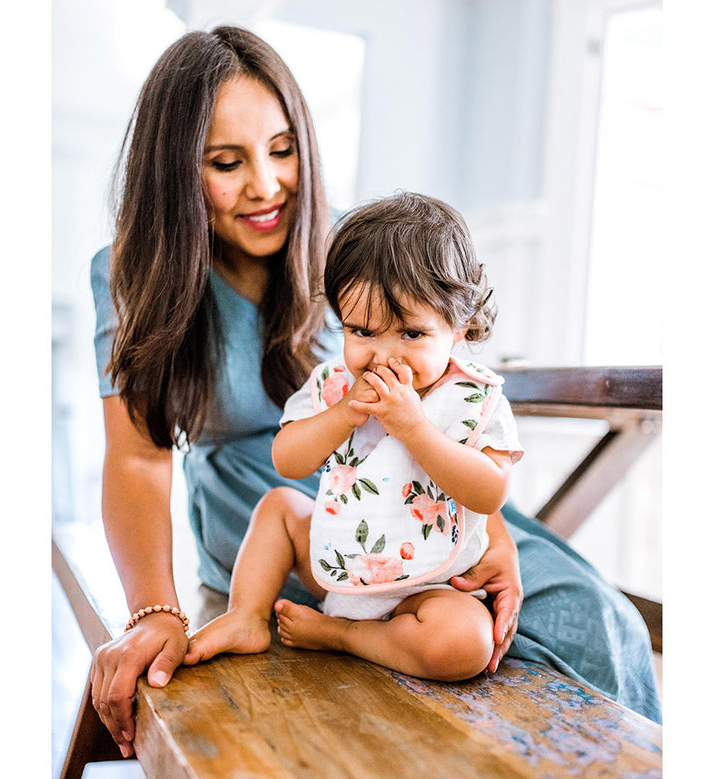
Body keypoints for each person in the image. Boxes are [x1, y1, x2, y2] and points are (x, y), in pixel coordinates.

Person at [89, 26, 660, 760]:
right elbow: (136, 460)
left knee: (592, 615)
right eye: (226, 163)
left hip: (433, 490)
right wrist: (154, 610)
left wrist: (498, 538)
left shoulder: (350, 247)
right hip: (282, 508)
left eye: (283, 150)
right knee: (490, 664)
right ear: (174, 172)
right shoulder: (129, 272)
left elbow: (455, 412)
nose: (266, 185)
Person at [183, 192, 525, 681]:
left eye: (410, 334)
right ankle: (246, 616)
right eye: (362, 331)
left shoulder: (474, 398)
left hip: (430, 586)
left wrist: (415, 428)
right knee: (279, 506)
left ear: (461, 328)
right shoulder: (336, 384)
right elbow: (287, 460)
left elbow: (489, 491)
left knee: (464, 644)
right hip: (342, 560)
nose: (384, 355)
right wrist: (342, 414)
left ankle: (345, 636)